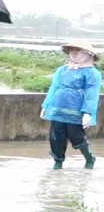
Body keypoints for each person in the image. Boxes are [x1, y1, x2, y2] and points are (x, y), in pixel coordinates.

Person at [41, 40, 99, 170]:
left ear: (86, 54)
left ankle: (89, 157)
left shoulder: (92, 73)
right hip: (57, 109)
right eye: (72, 50)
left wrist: (88, 112)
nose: (74, 53)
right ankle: (58, 162)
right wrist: (46, 106)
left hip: (76, 110)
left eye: (77, 50)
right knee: (55, 137)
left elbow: (92, 94)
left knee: (77, 137)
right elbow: (54, 87)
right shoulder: (61, 70)